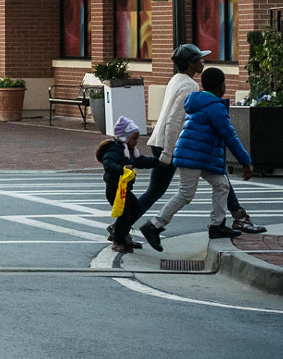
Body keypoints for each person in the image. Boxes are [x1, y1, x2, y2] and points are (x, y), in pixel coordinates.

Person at [137, 45, 264, 252]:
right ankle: (154, 226)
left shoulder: (199, 99)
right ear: (221, 87)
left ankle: (217, 226)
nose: (202, 61)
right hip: (190, 156)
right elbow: (229, 136)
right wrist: (245, 161)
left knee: (221, 184)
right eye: (199, 58)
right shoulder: (211, 105)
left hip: (199, 155)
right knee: (184, 195)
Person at [99, 117, 158, 253]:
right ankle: (118, 240)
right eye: (134, 139)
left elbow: (140, 161)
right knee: (124, 215)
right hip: (114, 189)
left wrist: (156, 162)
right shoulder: (115, 149)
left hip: (123, 189)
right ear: (125, 137)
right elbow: (108, 164)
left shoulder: (130, 151)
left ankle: (120, 233)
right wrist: (122, 169)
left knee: (135, 208)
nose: (136, 142)